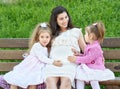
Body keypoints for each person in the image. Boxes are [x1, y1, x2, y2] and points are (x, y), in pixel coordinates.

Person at [3, 22, 62, 89]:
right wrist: (53, 62)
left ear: (50, 37)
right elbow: (42, 58)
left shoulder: (46, 48)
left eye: (47, 37)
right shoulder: (36, 46)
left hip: (37, 70)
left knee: (33, 84)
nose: (45, 39)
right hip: (30, 67)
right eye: (42, 37)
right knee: (15, 81)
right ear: (38, 37)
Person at [44, 6, 86, 89]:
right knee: (50, 83)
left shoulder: (76, 31)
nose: (65, 20)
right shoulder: (51, 34)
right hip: (53, 63)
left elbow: (86, 50)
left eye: (66, 17)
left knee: (66, 82)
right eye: (61, 19)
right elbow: (43, 49)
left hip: (69, 63)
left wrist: (80, 54)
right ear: (55, 21)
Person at [68, 22, 115, 89]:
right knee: (80, 77)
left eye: (86, 34)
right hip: (89, 68)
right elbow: (86, 56)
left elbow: (88, 59)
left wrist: (76, 59)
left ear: (91, 36)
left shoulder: (96, 48)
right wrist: (79, 55)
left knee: (93, 79)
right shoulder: (90, 46)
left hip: (96, 69)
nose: (84, 35)